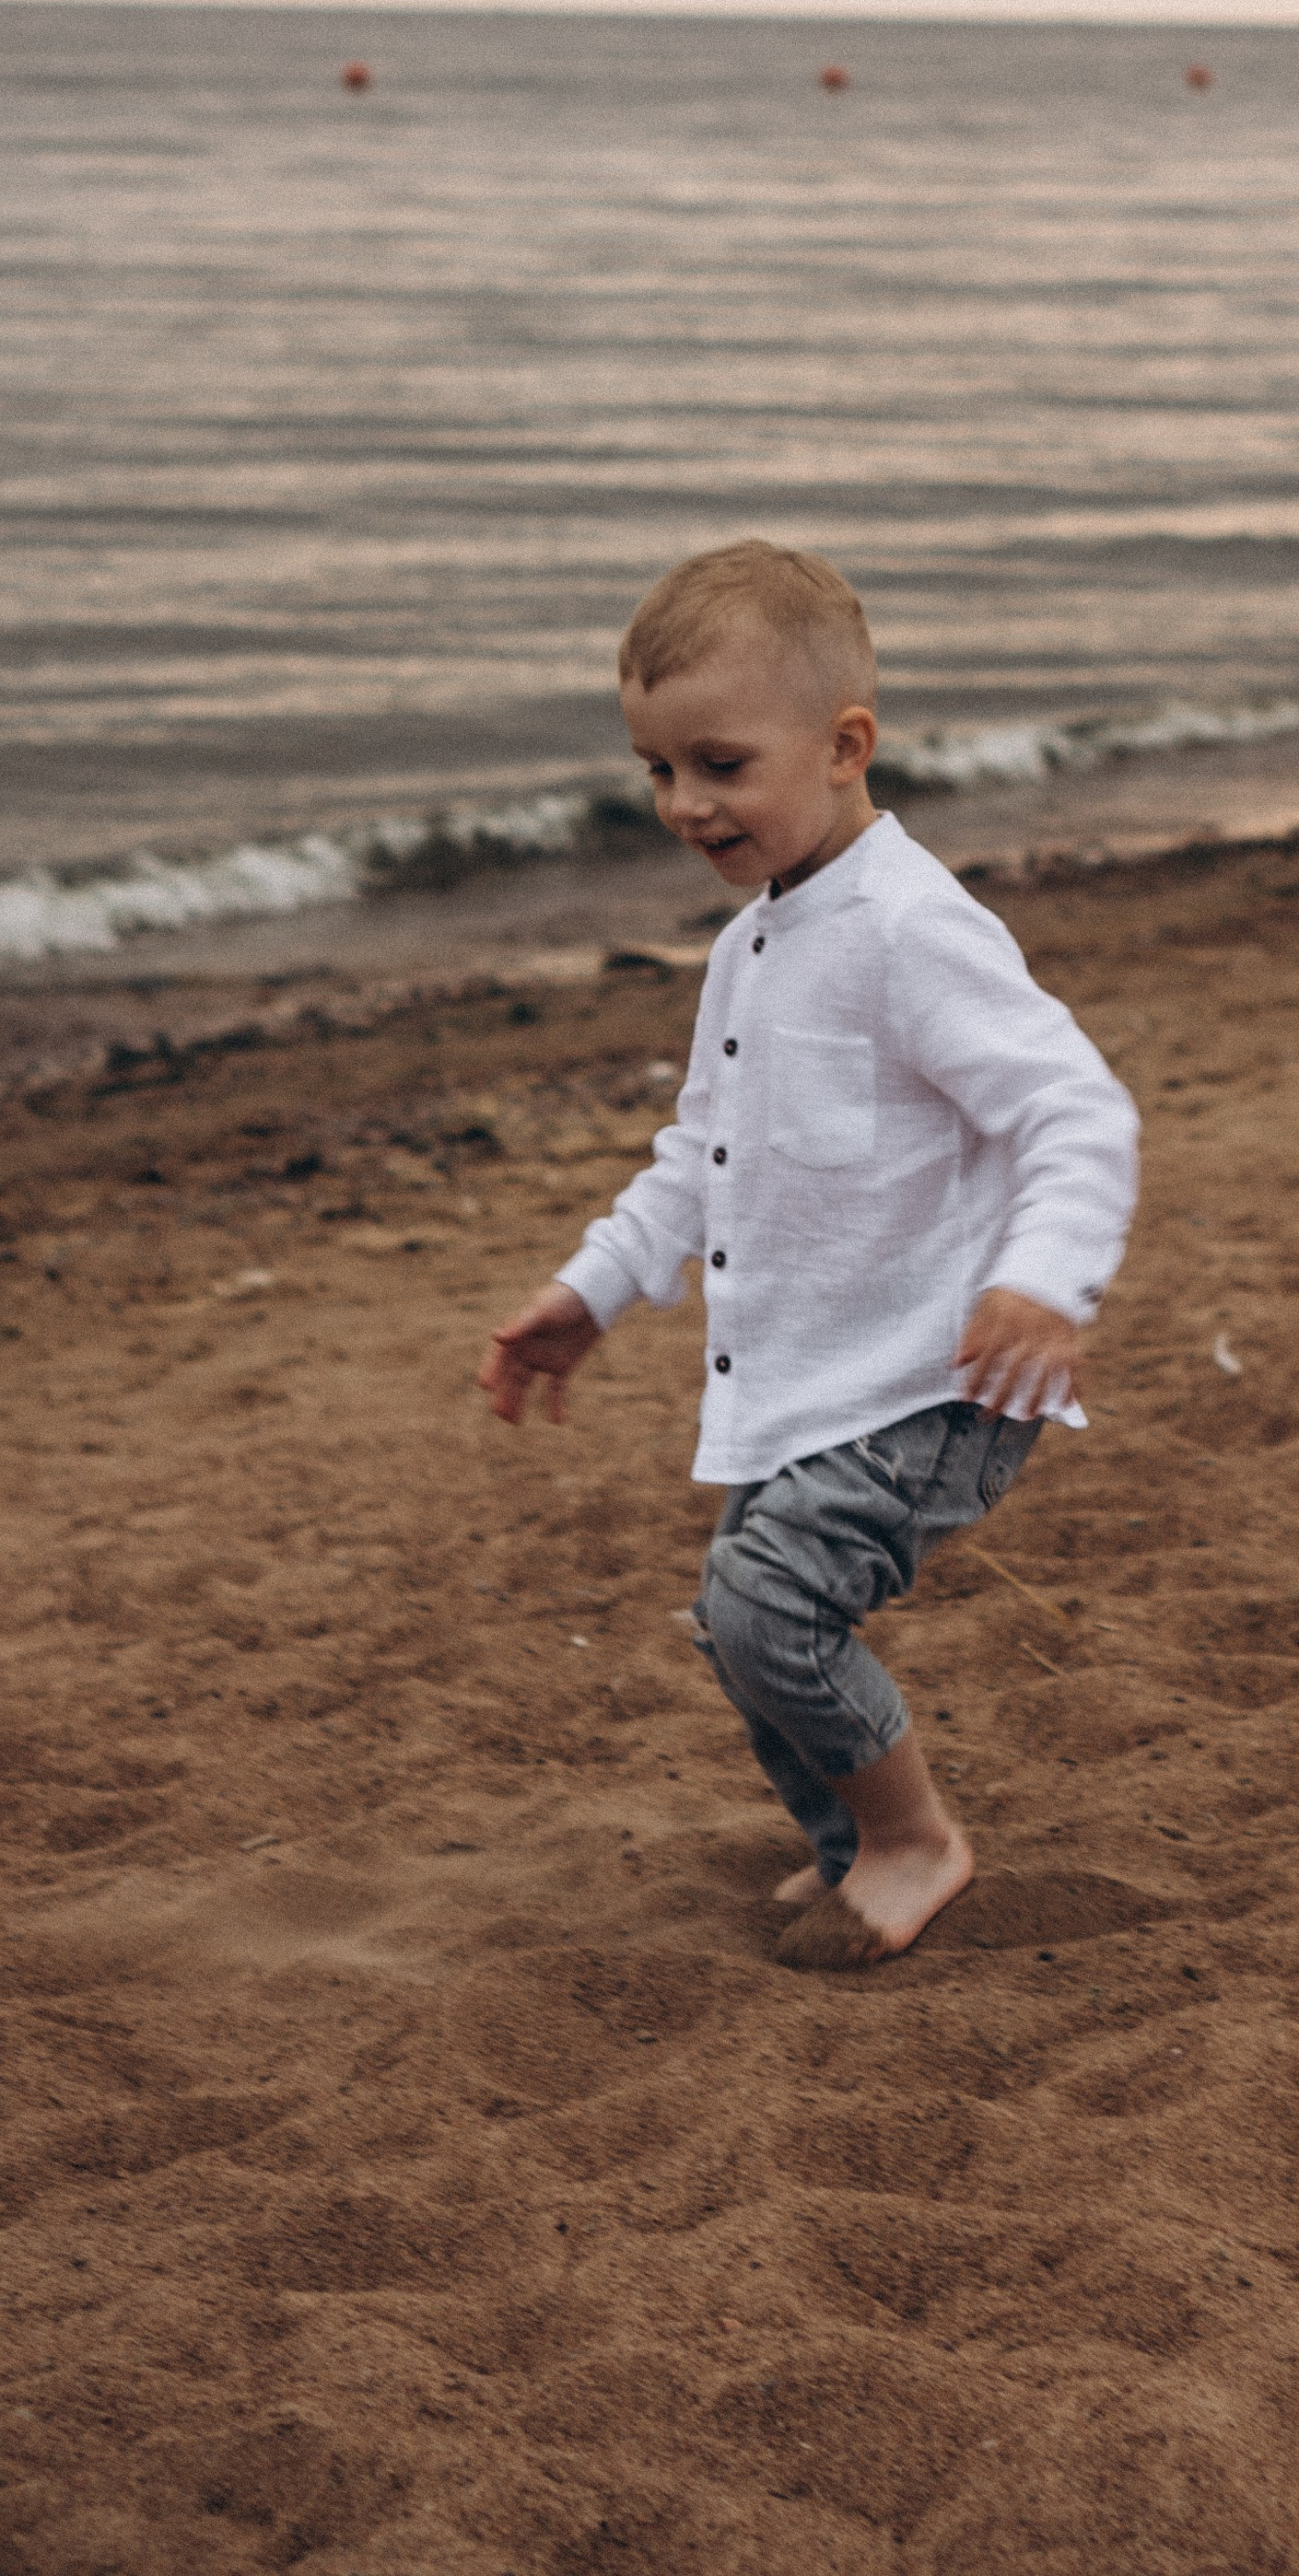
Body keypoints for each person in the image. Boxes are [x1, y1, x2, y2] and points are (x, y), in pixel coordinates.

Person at [477, 542, 1141, 1967]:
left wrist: (1047, 1279)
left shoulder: (911, 930)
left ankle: (914, 1840)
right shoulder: (754, 948)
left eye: (719, 763)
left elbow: (1074, 1105)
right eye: (656, 770)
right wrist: (590, 1293)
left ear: (846, 748)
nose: (683, 805)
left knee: (767, 1602)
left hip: (936, 1376)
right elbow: (699, 1161)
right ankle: (853, 1848)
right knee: (740, 1627)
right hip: (816, 1382)